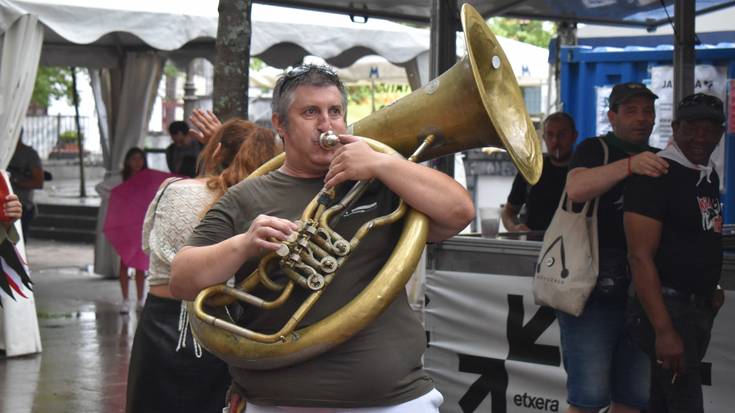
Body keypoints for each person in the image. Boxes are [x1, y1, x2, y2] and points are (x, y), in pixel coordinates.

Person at [170, 64, 475, 412]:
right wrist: (244, 244)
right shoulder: (245, 197)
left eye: (335, 112)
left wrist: (383, 165)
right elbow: (181, 279)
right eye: (310, 112)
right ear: (280, 124)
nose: (326, 125)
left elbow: (459, 212)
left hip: (393, 399)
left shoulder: (378, 181)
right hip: (276, 400)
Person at [125, 118, 280, 413]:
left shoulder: (172, 189)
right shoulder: (253, 200)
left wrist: (218, 146)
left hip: (160, 323)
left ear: (217, 151)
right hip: (220, 323)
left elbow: (149, 245)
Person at [561, 82, 670, 413]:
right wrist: (629, 166)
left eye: (647, 111)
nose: (641, 118)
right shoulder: (595, 149)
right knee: (587, 398)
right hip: (591, 292)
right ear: (612, 116)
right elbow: (576, 188)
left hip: (642, 296)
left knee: (633, 397)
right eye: (631, 111)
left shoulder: (661, 159)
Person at [624, 93, 726, 413]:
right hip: (667, 310)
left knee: (662, 405)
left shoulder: (707, 174)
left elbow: (699, 235)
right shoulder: (657, 174)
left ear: (721, 134)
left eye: (709, 130)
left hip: (696, 310)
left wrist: (711, 287)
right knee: (684, 404)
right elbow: (639, 257)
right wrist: (664, 330)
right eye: (692, 128)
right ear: (675, 127)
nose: (701, 137)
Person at [501, 112, 578, 233]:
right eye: (550, 134)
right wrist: (514, 228)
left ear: (574, 136)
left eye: (562, 135)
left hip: (572, 246)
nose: (555, 141)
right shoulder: (532, 170)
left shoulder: (584, 171)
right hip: (533, 247)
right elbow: (508, 211)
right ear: (544, 138)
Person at [118, 147, 148, 307]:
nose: (137, 162)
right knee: (124, 263)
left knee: (140, 264)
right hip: (124, 225)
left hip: (141, 225)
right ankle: (125, 299)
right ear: (128, 161)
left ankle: (140, 299)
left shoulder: (147, 179)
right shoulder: (121, 179)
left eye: (140, 159)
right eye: (134, 159)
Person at [7, 131, 43, 241]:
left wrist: (17, 183)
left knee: (17, 245)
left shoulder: (29, 154)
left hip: (22, 206)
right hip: (4, 208)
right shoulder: (5, 152)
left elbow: (38, 182)